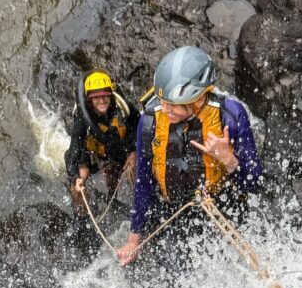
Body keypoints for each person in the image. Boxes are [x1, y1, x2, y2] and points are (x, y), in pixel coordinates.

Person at [116, 46, 263, 267]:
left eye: (173, 105)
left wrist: (228, 159)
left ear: (198, 99)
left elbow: (255, 184)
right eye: (162, 101)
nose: (165, 109)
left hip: (220, 207)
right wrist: (133, 239)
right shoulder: (150, 120)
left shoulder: (230, 116)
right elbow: (143, 182)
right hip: (171, 211)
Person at [65, 71, 139, 215]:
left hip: (119, 148)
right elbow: (74, 152)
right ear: (89, 99)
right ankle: (82, 215)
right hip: (92, 153)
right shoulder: (82, 118)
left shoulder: (123, 107)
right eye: (96, 97)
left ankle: (137, 207)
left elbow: (141, 127)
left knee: (133, 168)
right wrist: (75, 179)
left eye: (105, 96)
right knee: (78, 184)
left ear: (110, 96)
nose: (102, 100)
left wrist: (134, 151)